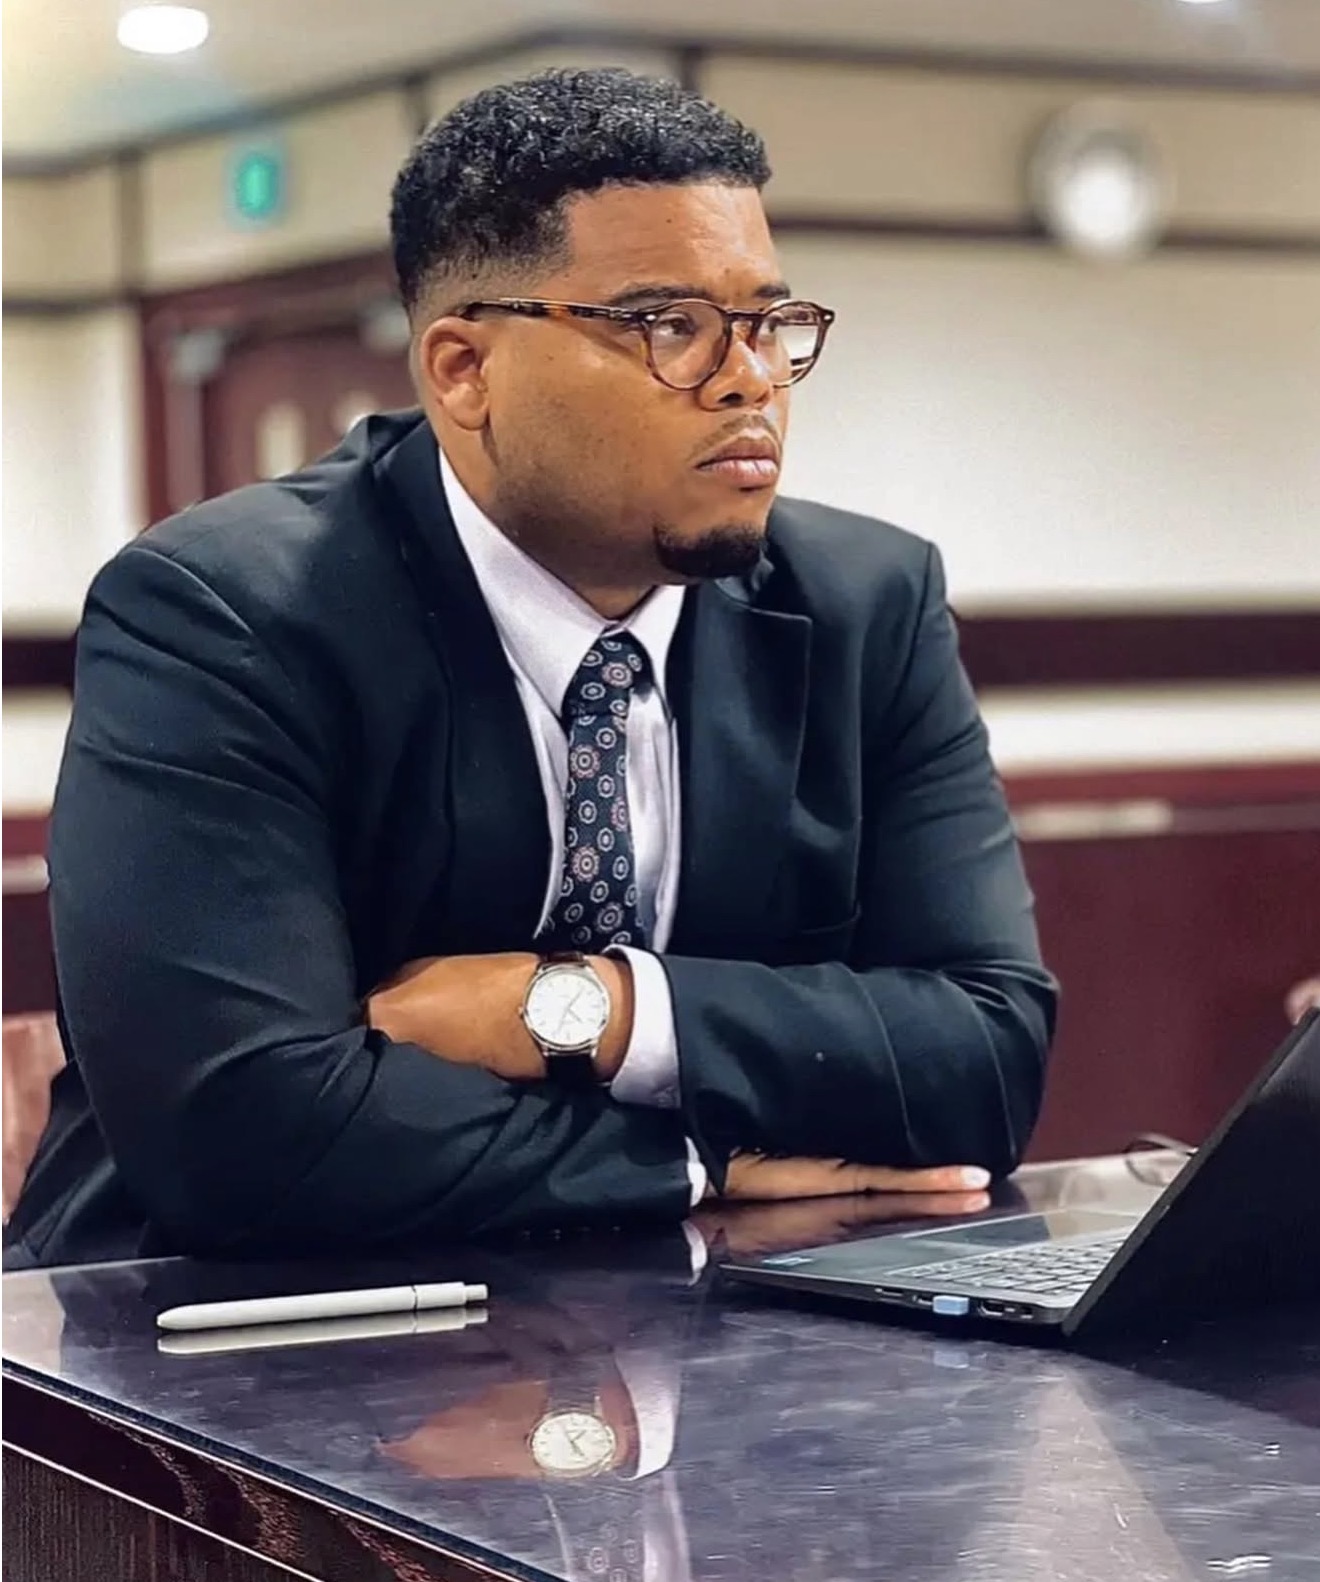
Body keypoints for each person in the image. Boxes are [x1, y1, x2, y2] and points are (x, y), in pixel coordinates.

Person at [5, 67, 1055, 1269]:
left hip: (696, 1327)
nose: (750, 377)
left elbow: (988, 1059)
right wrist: (697, 1164)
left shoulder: (869, 604)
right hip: (216, 1324)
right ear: (464, 369)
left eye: (768, 323)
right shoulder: (225, 611)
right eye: (669, 325)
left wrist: (584, 1010)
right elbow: (241, 1129)